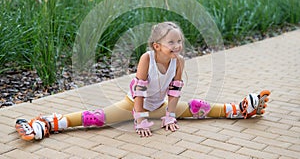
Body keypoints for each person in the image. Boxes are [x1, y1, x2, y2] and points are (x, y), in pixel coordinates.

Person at [15, 22, 271, 140]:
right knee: (98, 118)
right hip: (134, 105)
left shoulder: (179, 62)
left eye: (179, 41)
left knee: (195, 108)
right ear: (156, 45)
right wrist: (139, 119)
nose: (177, 46)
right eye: (172, 42)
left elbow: (175, 92)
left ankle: (237, 110)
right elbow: (139, 91)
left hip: (160, 105)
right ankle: (51, 122)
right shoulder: (146, 58)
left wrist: (169, 115)